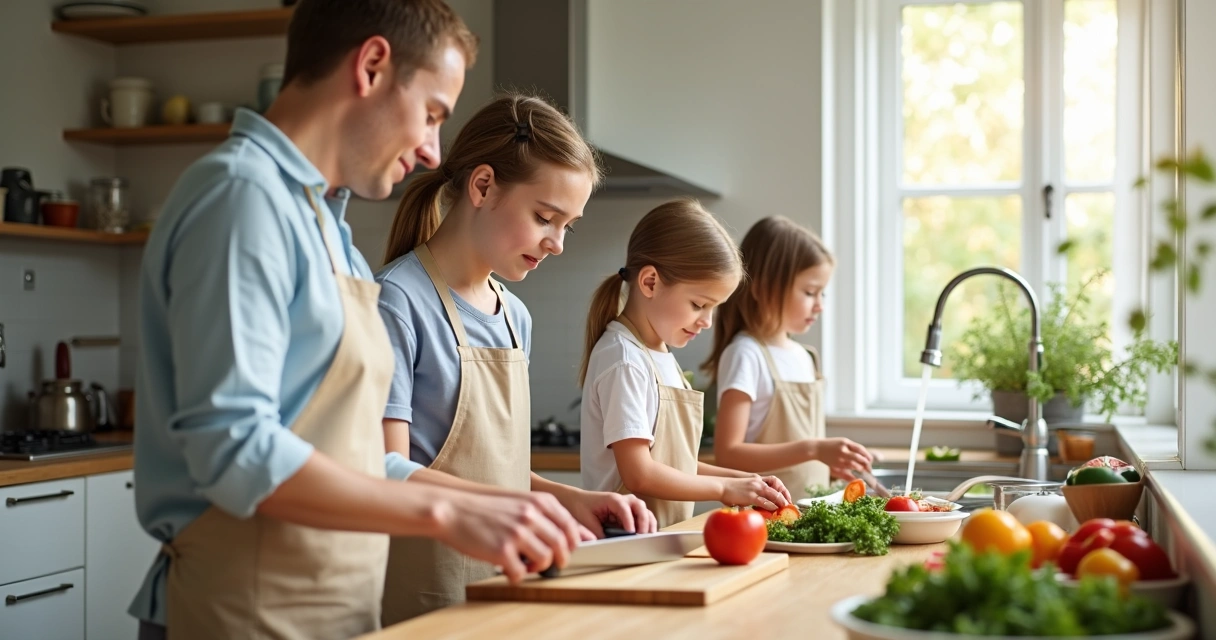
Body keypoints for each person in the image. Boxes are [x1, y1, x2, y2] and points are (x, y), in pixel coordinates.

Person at [129, 2, 583, 638]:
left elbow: (369, 464)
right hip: (241, 608)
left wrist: (521, 508)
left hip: (329, 610)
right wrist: (447, 516)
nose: (431, 152)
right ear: (370, 66)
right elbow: (233, 448)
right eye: (431, 115)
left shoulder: (329, 230)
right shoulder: (242, 199)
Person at [375, 92, 657, 623]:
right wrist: (520, 505)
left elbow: (500, 473)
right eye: (545, 217)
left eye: (567, 226)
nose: (557, 244)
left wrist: (569, 499)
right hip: (424, 596)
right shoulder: (397, 301)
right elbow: (385, 470)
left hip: (508, 583)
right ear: (482, 186)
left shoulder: (514, 316)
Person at [578, 199, 792, 529]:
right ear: (649, 282)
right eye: (698, 304)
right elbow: (640, 473)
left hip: (659, 539)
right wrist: (724, 487)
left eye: (714, 308)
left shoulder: (660, 355)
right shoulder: (624, 358)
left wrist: (747, 481)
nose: (707, 321)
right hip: (621, 543)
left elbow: (676, 465)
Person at [703, 216, 873, 498]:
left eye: (822, 294)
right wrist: (815, 449)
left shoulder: (805, 357)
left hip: (811, 513)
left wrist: (831, 462)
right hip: (766, 517)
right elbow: (728, 454)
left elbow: (799, 451)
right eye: (809, 292)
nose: (819, 305)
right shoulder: (746, 354)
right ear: (763, 288)